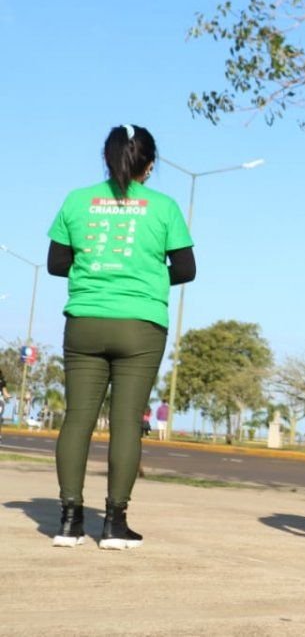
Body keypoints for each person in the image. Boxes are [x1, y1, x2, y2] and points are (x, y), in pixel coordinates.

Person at [46, 124, 196, 550]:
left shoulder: (77, 200)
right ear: (150, 165)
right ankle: (114, 524)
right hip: (141, 325)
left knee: (78, 418)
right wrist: (145, 275)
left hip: (84, 321)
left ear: (106, 158)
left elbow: (56, 263)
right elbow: (186, 269)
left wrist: (96, 271)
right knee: (127, 421)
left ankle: (69, 522)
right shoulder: (164, 207)